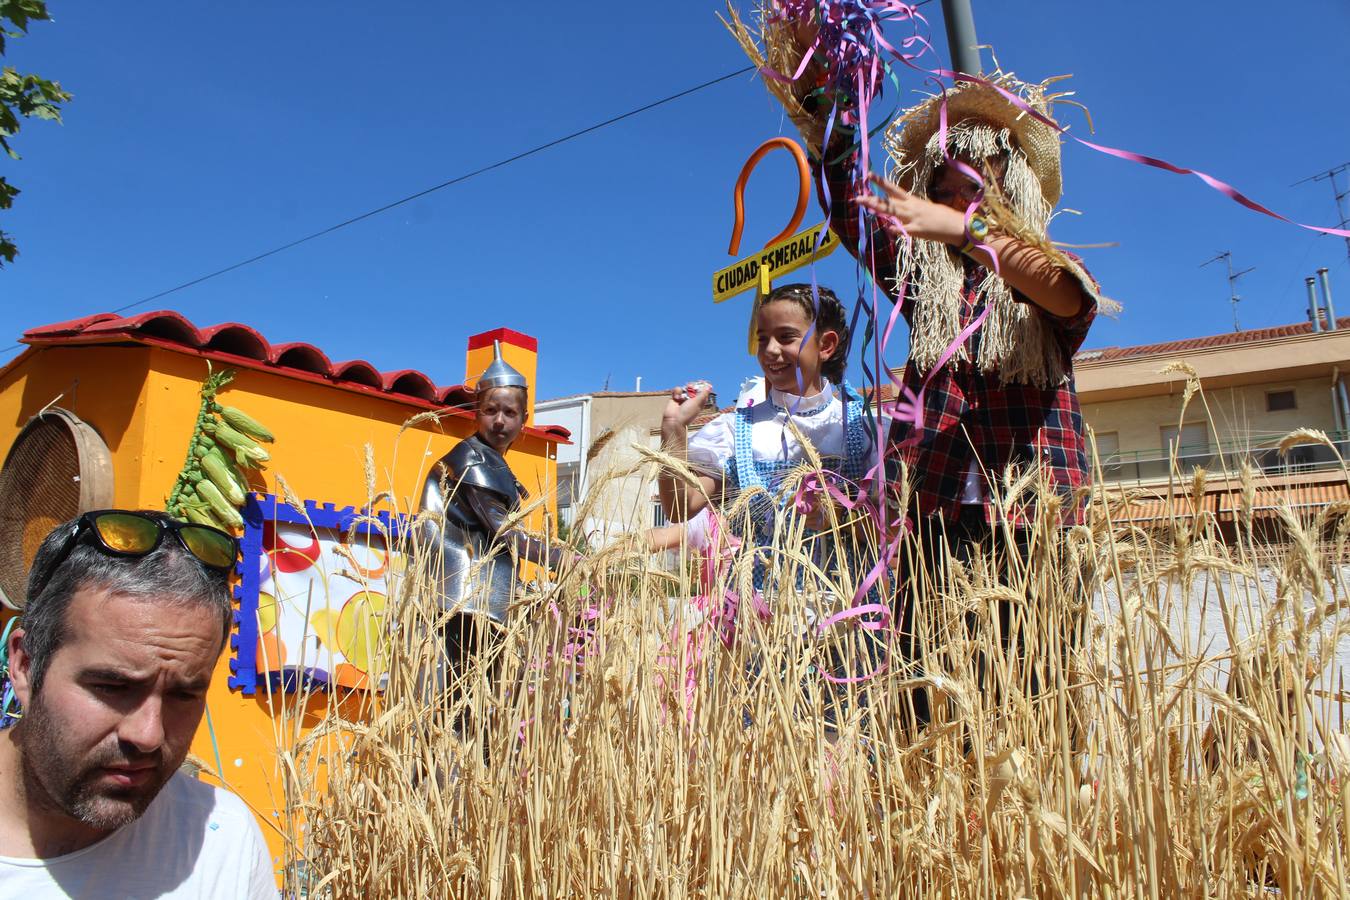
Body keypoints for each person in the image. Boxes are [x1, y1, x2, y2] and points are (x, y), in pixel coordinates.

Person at [751, 25, 1101, 725]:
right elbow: (853, 210)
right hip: (938, 517)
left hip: (1034, 519)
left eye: (978, 191)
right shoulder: (924, 286)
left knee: (1033, 702)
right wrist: (830, 116)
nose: (959, 205)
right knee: (929, 703)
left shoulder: (1041, 280)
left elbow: (1068, 294)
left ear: (1015, 192)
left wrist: (958, 229)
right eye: (945, 192)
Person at [0, 510, 278, 898]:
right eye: (112, 687)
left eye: (183, 694)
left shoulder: (222, 840)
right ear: (25, 666)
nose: (148, 735)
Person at [658, 284, 885, 705]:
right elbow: (679, 505)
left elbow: (895, 520)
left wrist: (850, 511)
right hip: (759, 622)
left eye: (786, 336)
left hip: (846, 621)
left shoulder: (864, 425)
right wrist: (673, 431)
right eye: (763, 339)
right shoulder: (738, 428)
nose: (770, 350)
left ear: (827, 344)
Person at [420, 341, 565, 689]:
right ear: (476, 412)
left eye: (510, 413)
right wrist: (561, 558)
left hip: (480, 601)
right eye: (490, 411)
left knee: (477, 699)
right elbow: (503, 530)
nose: (500, 421)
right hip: (462, 601)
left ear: (524, 419)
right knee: (457, 697)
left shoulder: (492, 461)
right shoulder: (471, 459)